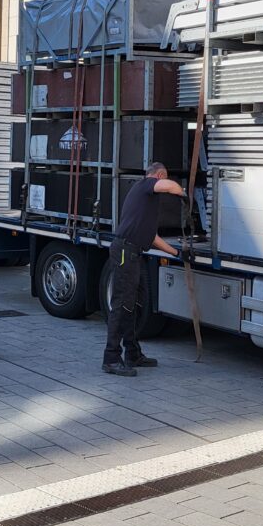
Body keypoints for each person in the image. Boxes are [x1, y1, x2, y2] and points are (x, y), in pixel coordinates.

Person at [103, 161, 186, 377]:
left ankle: (132, 353)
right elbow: (168, 187)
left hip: (133, 253)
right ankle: (111, 358)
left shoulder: (146, 202)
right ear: (158, 175)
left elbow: (152, 238)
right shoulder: (145, 186)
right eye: (164, 178)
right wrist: (183, 192)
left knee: (131, 305)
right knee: (121, 305)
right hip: (125, 252)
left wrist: (177, 254)